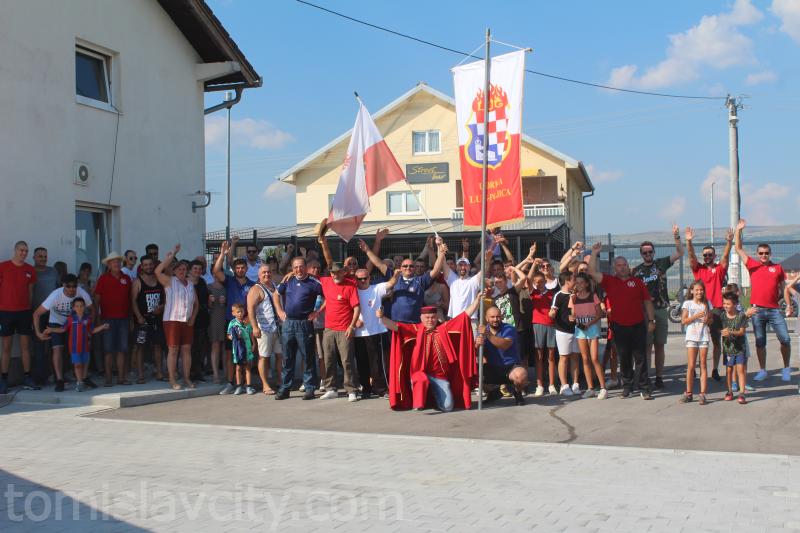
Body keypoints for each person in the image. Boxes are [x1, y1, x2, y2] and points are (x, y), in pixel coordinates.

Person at [587, 242, 655, 400]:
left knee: (640, 358)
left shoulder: (638, 282)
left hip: (638, 325)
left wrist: (651, 320)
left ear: (628, 266)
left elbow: (647, 302)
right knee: (624, 358)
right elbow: (592, 272)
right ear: (614, 268)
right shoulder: (609, 281)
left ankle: (644, 388)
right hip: (619, 326)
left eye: (624, 265)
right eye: (619, 265)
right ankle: (627, 387)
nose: (622, 267)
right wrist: (594, 253)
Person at [378, 305, 476, 412]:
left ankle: (433, 400)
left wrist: (478, 299)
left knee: (448, 407)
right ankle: (418, 403)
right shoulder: (415, 329)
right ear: (421, 318)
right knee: (420, 379)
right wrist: (382, 317)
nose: (430, 320)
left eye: (433, 317)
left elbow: (464, 317)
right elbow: (395, 326)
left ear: (437, 317)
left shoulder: (444, 328)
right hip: (420, 373)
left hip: (439, 377)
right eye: (427, 317)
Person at [735, 219, 792, 383]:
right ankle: (762, 370)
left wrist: (788, 305)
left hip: (774, 310)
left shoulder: (778, 268)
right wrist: (738, 230)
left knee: (785, 339)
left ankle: (786, 368)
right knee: (760, 342)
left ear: (770, 254)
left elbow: (784, 289)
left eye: (766, 253)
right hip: (757, 310)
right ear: (757, 254)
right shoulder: (752, 265)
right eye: (761, 253)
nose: (763, 255)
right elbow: (738, 248)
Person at [631, 225, 684, 390]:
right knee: (647, 347)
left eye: (650, 252)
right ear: (641, 254)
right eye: (645, 253)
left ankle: (659, 377)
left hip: (660, 309)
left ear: (654, 252)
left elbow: (680, 253)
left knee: (659, 345)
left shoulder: (661, 264)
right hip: (644, 313)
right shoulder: (636, 272)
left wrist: (676, 237)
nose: (648, 255)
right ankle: (646, 377)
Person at [686, 227, 734, 382]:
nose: (707, 257)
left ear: (714, 256)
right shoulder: (698, 269)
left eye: (710, 255)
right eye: (705, 255)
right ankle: (694, 368)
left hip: (717, 310)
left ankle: (714, 369)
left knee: (716, 341)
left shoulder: (719, 270)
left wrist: (729, 242)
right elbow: (691, 257)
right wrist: (689, 241)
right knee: (695, 341)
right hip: (699, 309)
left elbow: (726, 256)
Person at [33, 274, 94, 391]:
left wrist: (89, 327)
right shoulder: (55, 295)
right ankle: (59, 379)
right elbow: (36, 313)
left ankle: (83, 378)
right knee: (57, 349)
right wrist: (38, 333)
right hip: (56, 323)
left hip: (75, 323)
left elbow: (93, 309)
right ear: (63, 285)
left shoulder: (81, 292)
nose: (71, 289)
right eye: (68, 286)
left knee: (82, 348)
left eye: (74, 286)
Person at [272, 256, 322, 400]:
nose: (298, 269)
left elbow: (326, 297)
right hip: (288, 324)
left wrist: (317, 311)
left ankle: (309, 388)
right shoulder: (288, 280)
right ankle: (285, 389)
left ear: (306, 267)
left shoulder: (314, 282)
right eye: (295, 267)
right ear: (292, 268)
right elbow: (276, 295)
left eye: (301, 266)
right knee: (287, 358)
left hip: (304, 323)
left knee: (307, 357)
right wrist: (279, 311)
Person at [213, 240, 256, 394]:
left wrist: (250, 320)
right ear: (234, 269)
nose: (240, 270)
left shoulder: (252, 285)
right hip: (231, 323)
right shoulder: (229, 281)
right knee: (230, 354)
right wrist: (223, 254)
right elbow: (216, 271)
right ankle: (231, 383)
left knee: (247, 355)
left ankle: (247, 384)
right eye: (237, 268)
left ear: (246, 269)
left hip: (246, 324)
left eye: (242, 267)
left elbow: (255, 306)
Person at [154, 245, 198, 391]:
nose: (182, 271)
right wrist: (172, 255)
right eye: (179, 269)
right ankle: (172, 379)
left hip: (186, 321)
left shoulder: (190, 284)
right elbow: (157, 271)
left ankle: (186, 378)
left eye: (184, 269)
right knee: (173, 350)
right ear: (174, 271)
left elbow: (196, 304)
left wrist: (193, 317)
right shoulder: (169, 281)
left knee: (186, 349)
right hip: (172, 320)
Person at [317, 261, 361, 402]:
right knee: (328, 359)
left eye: (337, 272)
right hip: (328, 329)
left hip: (344, 329)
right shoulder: (325, 281)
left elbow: (357, 308)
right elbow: (307, 275)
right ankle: (331, 389)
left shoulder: (350, 285)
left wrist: (351, 326)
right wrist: (290, 273)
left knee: (347, 360)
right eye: (332, 272)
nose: (335, 275)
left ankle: (351, 390)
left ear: (344, 272)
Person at [42, 298, 108, 392]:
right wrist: (51, 329)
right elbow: (63, 329)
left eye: (81, 306)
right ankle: (79, 382)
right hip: (74, 347)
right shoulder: (70, 319)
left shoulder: (88, 319)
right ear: (73, 308)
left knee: (83, 364)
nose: (79, 308)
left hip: (85, 346)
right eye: (77, 306)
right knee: (77, 365)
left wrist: (102, 327)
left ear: (84, 307)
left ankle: (82, 380)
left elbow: (92, 330)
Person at [0, 241, 40, 393]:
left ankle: (27, 377)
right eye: (21, 250)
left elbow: (30, 292)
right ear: (15, 250)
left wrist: (29, 310)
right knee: (6, 347)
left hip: (24, 312)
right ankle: (4, 379)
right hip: (5, 312)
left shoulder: (30, 270)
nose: (24, 253)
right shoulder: (3, 267)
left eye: (26, 251)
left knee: (25, 347)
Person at [474, 303, 529, 406]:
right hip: (492, 367)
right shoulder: (482, 332)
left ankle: (517, 392)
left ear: (502, 317)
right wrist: (477, 345)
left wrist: (488, 334)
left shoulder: (509, 328)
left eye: (498, 316)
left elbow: (504, 345)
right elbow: (477, 354)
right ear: (486, 318)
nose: (495, 319)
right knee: (473, 371)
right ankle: (493, 392)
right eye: (492, 317)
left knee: (521, 375)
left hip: (510, 367)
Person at [385, 237, 446, 324]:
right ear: (400, 268)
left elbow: (436, 270)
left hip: (415, 324)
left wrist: (441, 252)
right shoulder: (394, 280)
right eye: (405, 266)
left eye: (411, 266)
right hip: (397, 324)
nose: (408, 268)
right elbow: (379, 264)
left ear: (414, 268)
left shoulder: (420, 281)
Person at [93, 252, 132, 387]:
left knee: (122, 350)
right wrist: (98, 319)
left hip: (124, 319)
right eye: (113, 262)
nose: (116, 264)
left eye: (118, 261)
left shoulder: (127, 278)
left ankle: (121, 378)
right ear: (109, 265)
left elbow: (130, 299)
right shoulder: (103, 278)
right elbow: (96, 300)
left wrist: (131, 319)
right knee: (108, 350)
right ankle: (108, 379)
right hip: (107, 320)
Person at [569, 272, 608, 399]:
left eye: (581, 282)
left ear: (586, 284)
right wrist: (572, 318)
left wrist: (589, 323)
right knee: (585, 359)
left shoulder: (593, 295)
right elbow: (573, 314)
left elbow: (599, 313)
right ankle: (590, 388)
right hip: (580, 330)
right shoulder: (573, 298)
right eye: (577, 282)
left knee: (594, 358)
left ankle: (603, 388)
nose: (579, 285)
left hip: (592, 329)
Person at [352, 268, 389, 400]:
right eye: (359, 279)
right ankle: (366, 389)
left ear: (369, 278)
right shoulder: (352, 290)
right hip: (358, 333)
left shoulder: (376, 288)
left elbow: (391, 283)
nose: (362, 281)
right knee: (362, 363)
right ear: (355, 279)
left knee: (377, 363)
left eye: (365, 278)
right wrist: (354, 320)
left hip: (375, 331)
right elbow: (345, 308)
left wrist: (396, 273)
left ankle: (381, 389)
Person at [247, 265, 282, 395]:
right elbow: (250, 309)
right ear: (259, 275)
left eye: (268, 272)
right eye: (264, 272)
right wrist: (255, 327)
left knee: (280, 355)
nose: (267, 274)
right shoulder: (255, 289)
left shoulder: (274, 285)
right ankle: (265, 385)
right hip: (264, 329)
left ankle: (280, 380)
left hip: (278, 327)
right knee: (264, 357)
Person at [130, 256, 166, 383]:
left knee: (158, 346)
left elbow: (166, 297)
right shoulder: (137, 282)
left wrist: (162, 307)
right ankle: (140, 375)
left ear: (153, 265)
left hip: (157, 320)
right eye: (145, 265)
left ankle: (159, 372)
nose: (148, 267)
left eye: (150, 264)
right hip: (143, 321)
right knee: (140, 347)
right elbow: (133, 301)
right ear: (141, 266)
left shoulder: (159, 279)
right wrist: (139, 317)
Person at [31, 247, 60, 386]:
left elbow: (59, 289)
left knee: (55, 346)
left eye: (45, 256)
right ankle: (40, 378)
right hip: (37, 314)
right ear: (34, 257)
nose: (43, 259)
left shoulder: (53, 271)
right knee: (39, 347)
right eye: (40, 256)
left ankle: (57, 376)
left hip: (53, 314)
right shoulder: (30, 271)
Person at [680, 280, 711, 405]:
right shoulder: (688, 303)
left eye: (701, 290)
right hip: (692, 337)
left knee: (703, 364)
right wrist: (696, 316)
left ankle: (703, 394)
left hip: (703, 337)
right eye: (697, 290)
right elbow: (684, 321)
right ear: (692, 291)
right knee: (691, 365)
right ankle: (689, 393)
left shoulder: (707, 303)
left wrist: (707, 319)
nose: (699, 292)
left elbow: (711, 320)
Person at [550, 271, 581, 397]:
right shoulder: (558, 295)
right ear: (567, 281)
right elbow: (552, 312)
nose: (576, 281)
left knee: (575, 357)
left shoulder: (576, 295)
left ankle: (575, 384)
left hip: (577, 330)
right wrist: (552, 313)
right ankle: (564, 385)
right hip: (562, 331)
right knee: (564, 357)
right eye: (574, 279)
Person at [528, 271, 557, 396]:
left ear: (545, 281)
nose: (538, 284)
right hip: (537, 325)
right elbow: (527, 279)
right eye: (536, 282)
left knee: (551, 356)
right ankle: (539, 385)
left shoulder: (552, 295)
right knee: (538, 357)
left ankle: (551, 385)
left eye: (540, 281)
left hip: (551, 326)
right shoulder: (533, 293)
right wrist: (533, 264)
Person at [720, 291, 750, 404]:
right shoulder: (722, 316)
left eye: (728, 304)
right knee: (729, 370)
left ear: (735, 304)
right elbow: (719, 329)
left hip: (740, 348)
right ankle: (729, 391)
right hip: (727, 348)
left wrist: (730, 332)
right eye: (724, 303)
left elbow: (742, 332)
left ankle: (742, 393)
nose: (725, 306)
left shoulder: (741, 316)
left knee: (740, 369)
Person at [227, 303, 255, 395]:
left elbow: (251, 334)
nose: (240, 314)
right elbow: (228, 335)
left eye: (241, 311)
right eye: (238, 312)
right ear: (233, 313)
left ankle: (248, 386)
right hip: (238, 349)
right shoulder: (232, 323)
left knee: (247, 367)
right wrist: (232, 336)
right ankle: (239, 386)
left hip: (247, 348)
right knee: (238, 367)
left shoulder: (247, 322)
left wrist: (253, 344)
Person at [189, 260, 210, 383]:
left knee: (200, 346)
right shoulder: (186, 282)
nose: (197, 271)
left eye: (199, 269)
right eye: (195, 268)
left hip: (202, 317)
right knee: (190, 347)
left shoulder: (202, 281)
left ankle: (198, 372)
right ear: (190, 270)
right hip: (190, 318)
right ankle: (189, 372)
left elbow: (206, 297)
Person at [206, 270, 227, 384]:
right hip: (214, 318)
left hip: (226, 318)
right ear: (213, 274)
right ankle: (216, 374)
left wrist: (225, 301)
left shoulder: (227, 286)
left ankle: (227, 373)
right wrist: (210, 302)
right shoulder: (208, 287)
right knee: (215, 346)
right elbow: (205, 305)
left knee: (225, 347)